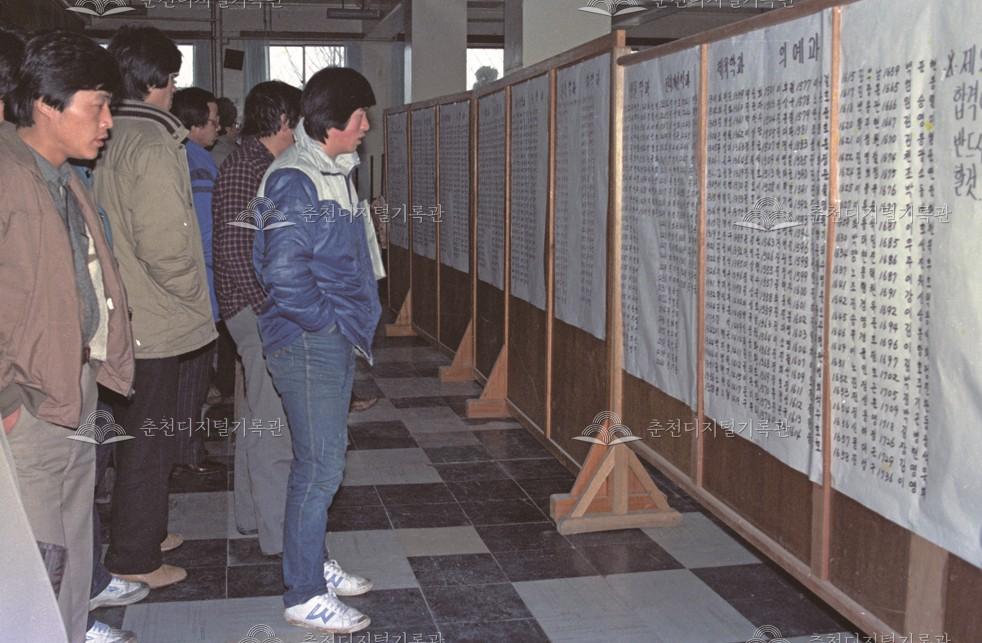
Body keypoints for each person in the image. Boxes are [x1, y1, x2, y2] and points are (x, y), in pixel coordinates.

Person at [1, 30, 137, 643]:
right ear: (46, 105)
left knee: (77, 537)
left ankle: (73, 631)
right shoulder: (8, 179)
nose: (107, 122)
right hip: (28, 403)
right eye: (97, 105)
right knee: (38, 555)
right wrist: (7, 403)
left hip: (77, 385)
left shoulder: (66, 177)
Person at [254, 67, 380, 634]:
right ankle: (303, 592)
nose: (367, 127)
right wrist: (326, 324)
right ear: (335, 121)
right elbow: (282, 271)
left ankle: (314, 564)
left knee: (321, 459)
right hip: (308, 340)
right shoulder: (296, 178)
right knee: (320, 466)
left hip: (327, 335)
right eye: (360, 117)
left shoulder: (330, 169)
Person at [94, 25, 217, 590]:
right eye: (170, 79)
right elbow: (166, 243)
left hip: (122, 316)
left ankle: (141, 530)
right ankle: (135, 557)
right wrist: (195, 297)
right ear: (155, 81)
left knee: (129, 437)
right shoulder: (154, 144)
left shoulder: (108, 134)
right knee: (150, 442)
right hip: (154, 318)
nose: (174, 90)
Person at [213, 80, 300, 555]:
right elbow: (233, 248)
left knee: (257, 421)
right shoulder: (252, 168)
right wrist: (268, 310)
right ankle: (280, 535)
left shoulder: (252, 162)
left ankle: (253, 517)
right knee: (275, 426)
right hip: (257, 313)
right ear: (284, 120)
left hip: (249, 311)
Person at [170, 86, 225, 475]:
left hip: (178, 291)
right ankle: (187, 453)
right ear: (191, 126)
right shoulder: (200, 165)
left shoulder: (177, 157)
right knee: (193, 381)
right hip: (200, 292)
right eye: (213, 121)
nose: (219, 129)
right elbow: (208, 238)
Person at [210, 96, 239, 167]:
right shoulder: (235, 155)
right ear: (228, 129)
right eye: (235, 124)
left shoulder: (202, 150)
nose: (237, 130)